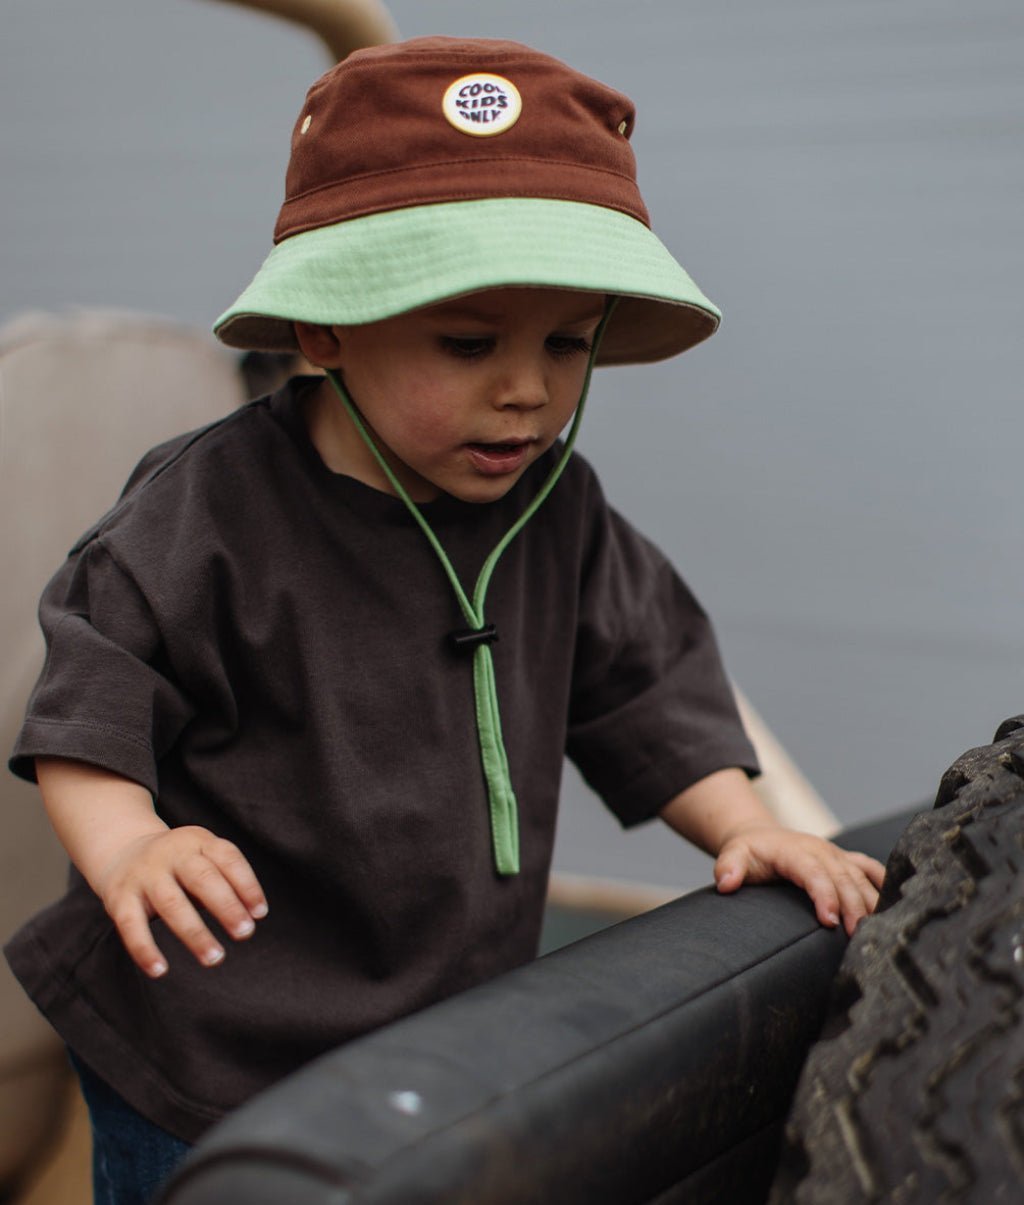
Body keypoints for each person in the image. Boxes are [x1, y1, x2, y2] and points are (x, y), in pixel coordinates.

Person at [5, 36, 885, 1203]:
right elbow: (93, 691)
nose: (526, 387)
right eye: (470, 342)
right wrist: (130, 843)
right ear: (323, 329)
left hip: (437, 1003)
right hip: (212, 1030)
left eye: (566, 343)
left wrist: (739, 820)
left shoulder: (555, 512)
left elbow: (644, 678)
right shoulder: (207, 512)